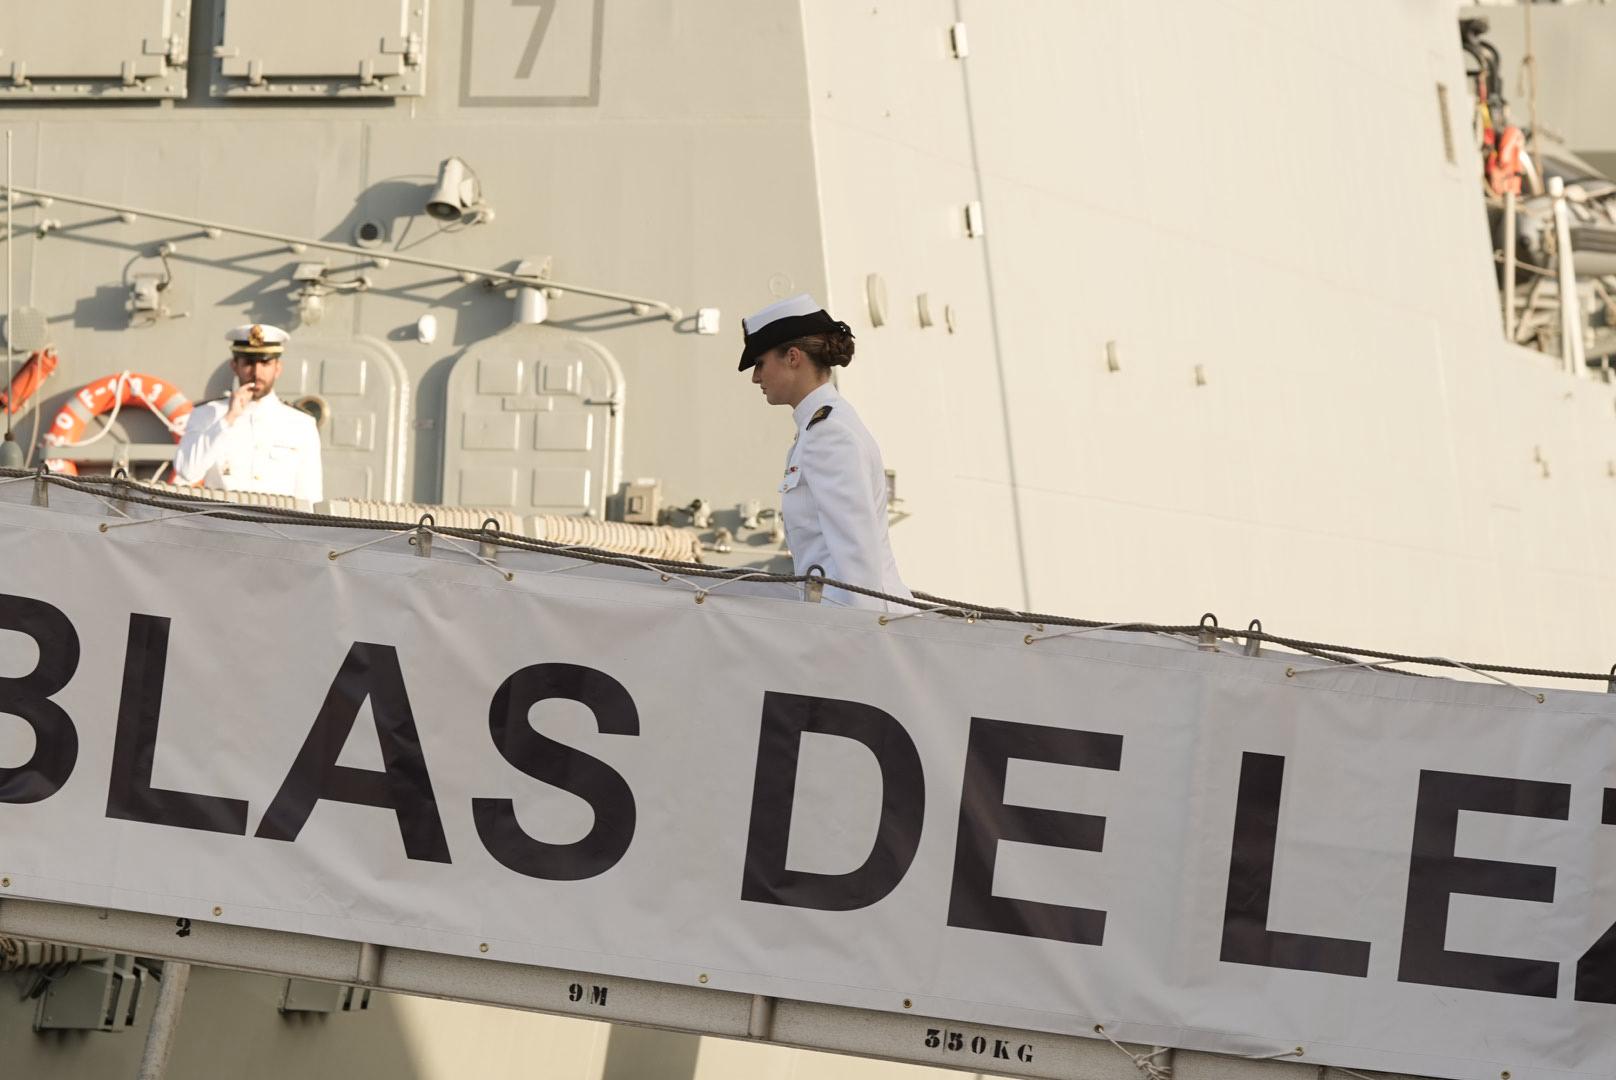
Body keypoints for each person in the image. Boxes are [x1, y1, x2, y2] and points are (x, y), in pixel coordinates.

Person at [739, 294, 909, 610]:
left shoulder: (829, 433)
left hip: (855, 623)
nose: (755, 378)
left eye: (760, 364)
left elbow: (856, 556)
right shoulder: (819, 426)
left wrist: (860, 639)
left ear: (792, 357)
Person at [174, 324, 323, 503]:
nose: (256, 373)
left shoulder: (301, 424)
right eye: (248, 363)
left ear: (277, 368)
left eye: (265, 363)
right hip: (222, 523)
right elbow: (187, 472)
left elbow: (309, 495)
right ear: (234, 366)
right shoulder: (207, 414)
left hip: (277, 527)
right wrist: (228, 419)